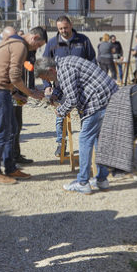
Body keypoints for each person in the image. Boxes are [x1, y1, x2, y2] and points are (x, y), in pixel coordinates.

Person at [35, 55, 118, 194]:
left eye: (45, 77)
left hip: (98, 102)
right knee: (98, 140)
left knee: (85, 139)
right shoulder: (62, 64)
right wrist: (56, 94)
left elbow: (72, 99)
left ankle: (83, 182)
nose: (46, 81)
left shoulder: (64, 70)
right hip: (109, 98)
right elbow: (68, 85)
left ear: (50, 70)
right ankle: (102, 180)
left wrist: (60, 111)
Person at [0, 27, 47, 184]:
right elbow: (14, 76)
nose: (36, 50)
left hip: (0, 90)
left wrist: (14, 94)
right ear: (34, 37)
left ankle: (10, 167)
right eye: (38, 46)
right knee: (3, 132)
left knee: (11, 129)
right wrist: (31, 93)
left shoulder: (13, 42)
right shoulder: (20, 46)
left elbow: (4, 72)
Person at [42, 15, 96, 157]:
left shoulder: (83, 40)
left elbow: (92, 61)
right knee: (60, 115)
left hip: (83, 87)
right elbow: (44, 66)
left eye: (65, 28)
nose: (63, 31)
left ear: (71, 25)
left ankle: (87, 145)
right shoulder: (52, 43)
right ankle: (61, 144)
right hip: (61, 87)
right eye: (60, 29)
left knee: (85, 116)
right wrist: (47, 85)